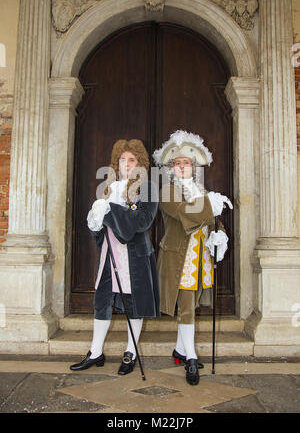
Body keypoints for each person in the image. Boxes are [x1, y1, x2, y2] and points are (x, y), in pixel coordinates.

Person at [70, 139, 160, 375]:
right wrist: (97, 220)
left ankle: (130, 352)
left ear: (140, 163)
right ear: (116, 162)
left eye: (132, 160)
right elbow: (100, 229)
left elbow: (142, 222)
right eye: (123, 159)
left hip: (135, 257)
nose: (127, 164)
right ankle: (96, 352)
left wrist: (109, 212)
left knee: (134, 306)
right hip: (109, 255)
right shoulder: (109, 188)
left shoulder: (147, 188)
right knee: (101, 302)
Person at [153, 130, 231, 386]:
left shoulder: (202, 191)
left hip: (200, 258)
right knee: (186, 309)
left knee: (191, 305)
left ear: (193, 167)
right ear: (171, 168)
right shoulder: (168, 192)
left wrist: (219, 235)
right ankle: (191, 358)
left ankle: (179, 350)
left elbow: (212, 221)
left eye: (187, 163)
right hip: (180, 259)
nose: (182, 166)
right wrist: (211, 206)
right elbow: (185, 213)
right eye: (178, 163)